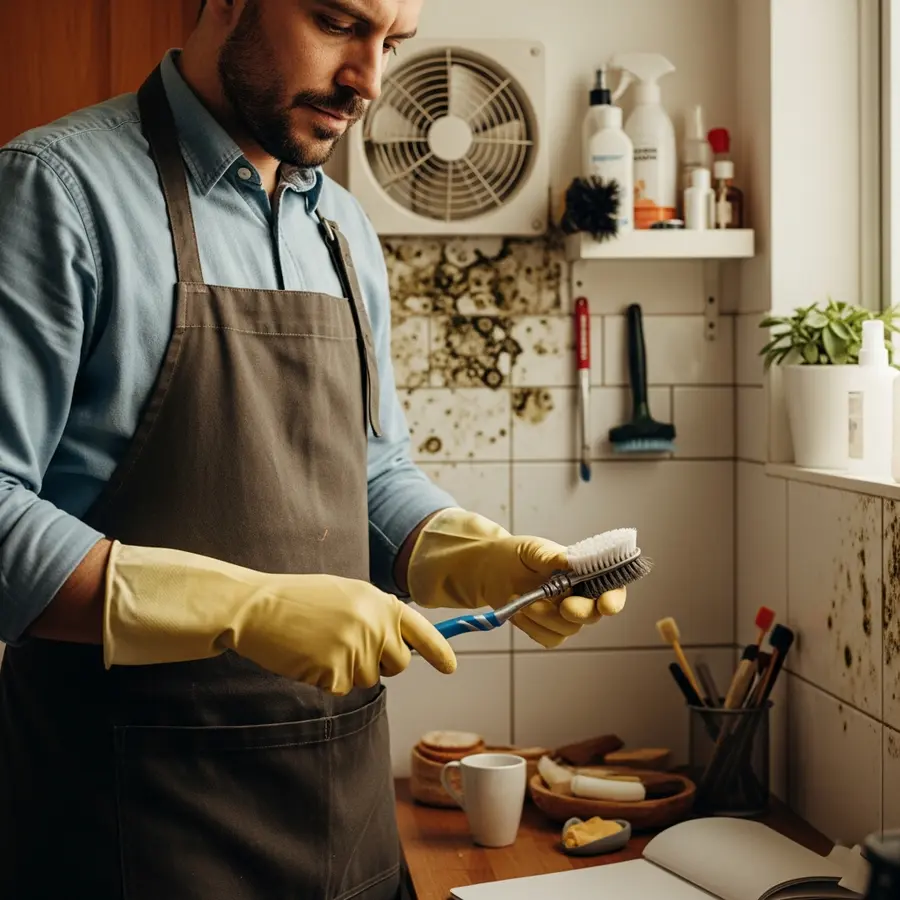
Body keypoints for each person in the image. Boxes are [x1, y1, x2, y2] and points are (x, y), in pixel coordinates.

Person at [0, 0, 628, 896]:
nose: (369, 81)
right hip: (130, 835)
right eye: (337, 23)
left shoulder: (343, 228)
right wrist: (245, 608)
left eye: (392, 43)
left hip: (346, 830)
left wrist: (480, 557)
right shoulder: (57, 193)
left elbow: (370, 473)